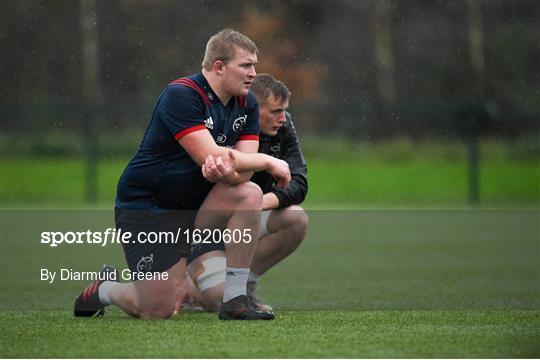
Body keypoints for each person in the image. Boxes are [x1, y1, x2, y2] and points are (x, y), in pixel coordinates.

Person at [73, 29, 291, 320]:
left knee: (248, 193)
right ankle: (105, 289)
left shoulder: (247, 103)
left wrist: (228, 171)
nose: (254, 73)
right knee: (158, 309)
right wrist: (266, 160)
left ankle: (236, 299)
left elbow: (243, 170)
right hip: (149, 208)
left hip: (197, 210)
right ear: (218, 66)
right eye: (246, 65)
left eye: (254, 64)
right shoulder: (182, 94)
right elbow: (214, 154)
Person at [186, 74, 308, 312]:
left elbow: (299, 183)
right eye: (274, 111)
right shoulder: (222, 124)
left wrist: (254, 205)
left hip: (244, 222)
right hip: (206, 230)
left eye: (284, 111)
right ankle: (186, 281)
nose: (282, 118)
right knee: (218, 301)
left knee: (296, 218)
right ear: (252, 108)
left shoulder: (284, 125)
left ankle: (244, 288)